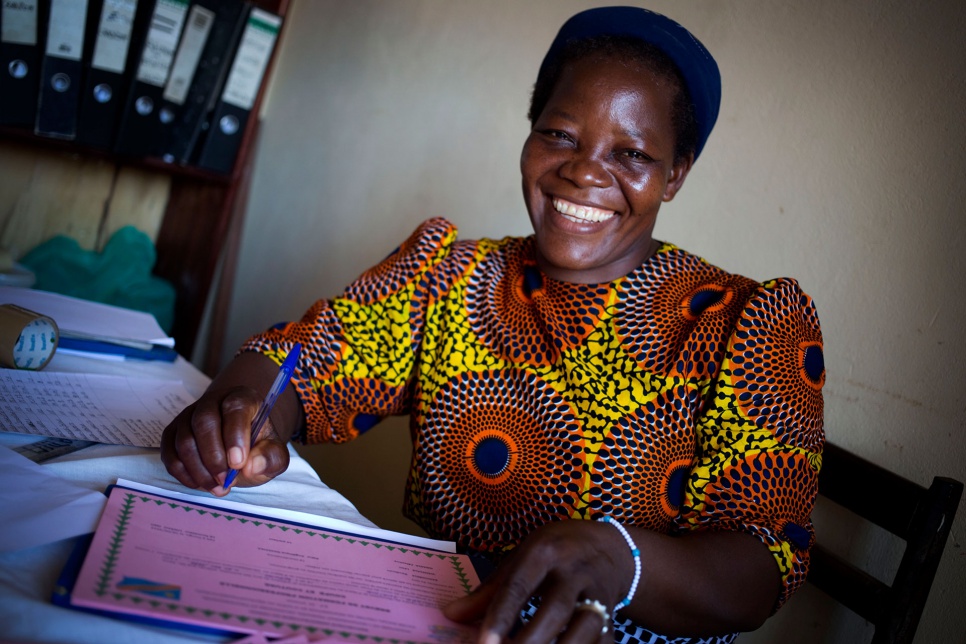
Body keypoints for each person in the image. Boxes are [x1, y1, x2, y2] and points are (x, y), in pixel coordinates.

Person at [161, 6, 825, 644]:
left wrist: (621, 558)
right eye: (560, 134)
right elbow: (303, 361)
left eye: (632, 155)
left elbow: (764, 562)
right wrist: (244, 415)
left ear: (674, 175)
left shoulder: (747, 324)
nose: (585, 170)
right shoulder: (451, 278)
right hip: (441, 618)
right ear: (530, 132)